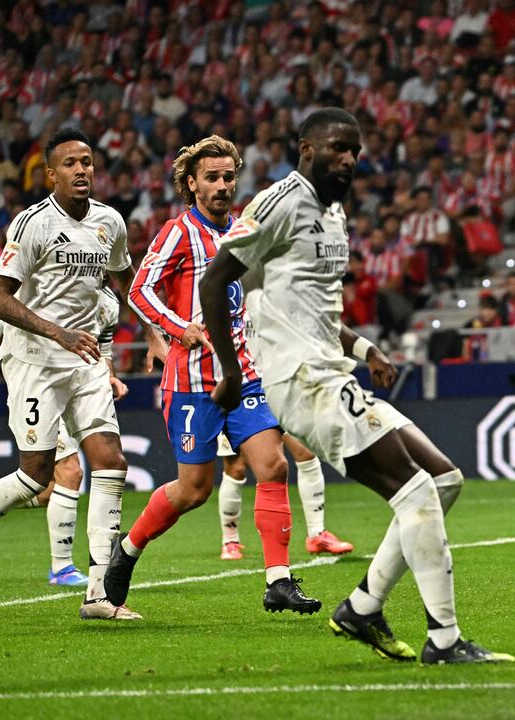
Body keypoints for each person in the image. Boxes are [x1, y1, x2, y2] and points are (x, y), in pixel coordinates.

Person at [200, 108, 511, 664]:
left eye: (355, 151)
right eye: (337, 146)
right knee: (414, 492)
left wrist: (365, 349)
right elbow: (218, 278)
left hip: (330, 369)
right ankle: (444, 641)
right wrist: (229, 370)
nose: (348, 158)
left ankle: (363, 608)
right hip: (302, 379)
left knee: (443, 480)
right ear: (306, 147)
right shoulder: (277, 202)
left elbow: (309, 305)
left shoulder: (334, 214)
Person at [0, 127, 162, 620]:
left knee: (111, 462)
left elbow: (126, 279)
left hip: (86, 358)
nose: (82, 171)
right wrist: (56, 333)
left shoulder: (109, 222)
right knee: (35, 476)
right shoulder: (32, 224)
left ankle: (99, 594)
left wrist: (154, 331)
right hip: (34, 360)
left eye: (88, 162)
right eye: (71, 164)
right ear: (51, 174)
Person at [108, 135, 322, 615]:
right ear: (192, 183)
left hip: (242, 373)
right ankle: (127, 551)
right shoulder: (178, 233)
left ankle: (278, 580)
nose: (223, 185)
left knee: (273, 465)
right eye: (212, 177)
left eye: (229, 176)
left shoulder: (245, 230)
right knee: (194, 491)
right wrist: (178, 328)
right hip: (192, 384)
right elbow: (140, 291)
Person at [0, 288, 127, 587]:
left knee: (49, 489)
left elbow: (104, 348)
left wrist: (109, 376)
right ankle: (62, 568)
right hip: (39, 386)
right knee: (71, 472)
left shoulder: (109, 301)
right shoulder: (46, 285)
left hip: (80, 389)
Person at [215, 432, 354, 560]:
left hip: (274, 407)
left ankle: (317, 534)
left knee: (306, 454)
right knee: (235, 468)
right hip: (240, 409)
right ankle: (230, 541)